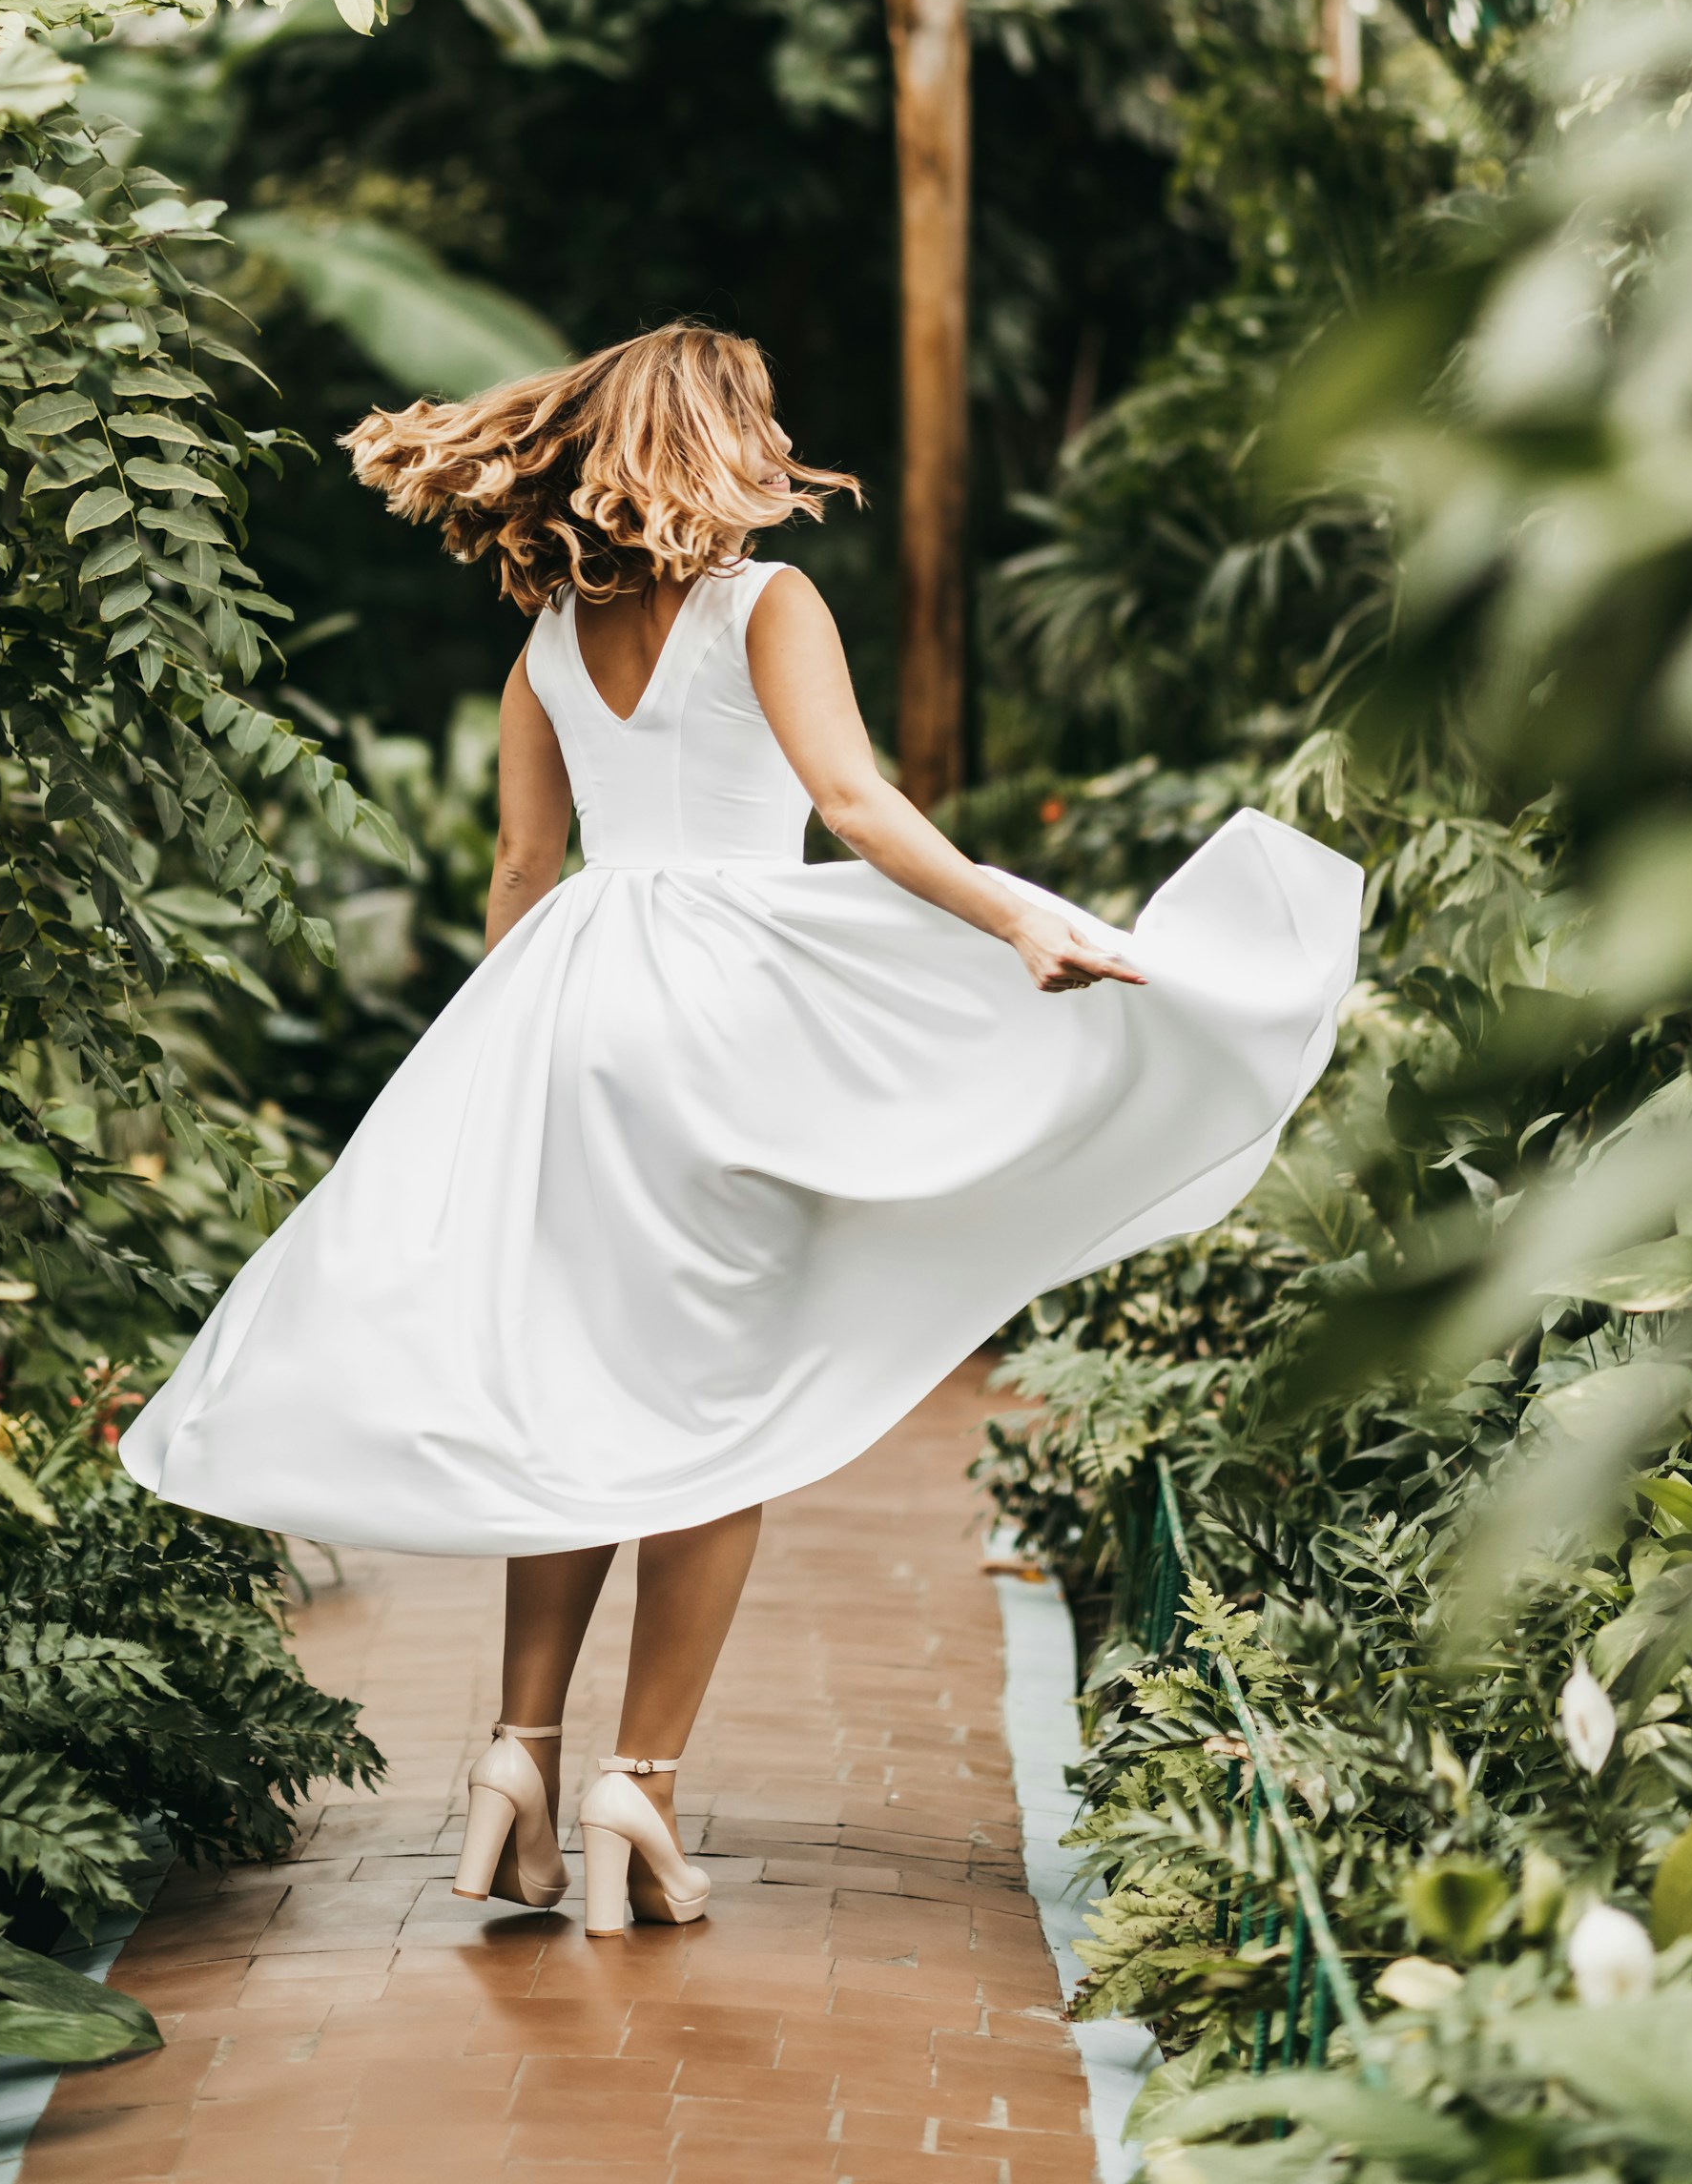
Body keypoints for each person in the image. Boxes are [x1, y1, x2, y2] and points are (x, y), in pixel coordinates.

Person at [120, 323, 1359, 1938]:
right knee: (720, 1408)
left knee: (573, 1397)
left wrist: (505, 1069)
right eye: (759, 417)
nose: (777, 441)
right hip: (726, 1013)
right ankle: (643, 1779)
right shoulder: (767, 602)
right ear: (713, 433)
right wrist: (1015, 924)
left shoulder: (550, 643)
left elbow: (517, 876)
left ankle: (515, 1753)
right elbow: (852, 808)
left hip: (573, 1007)